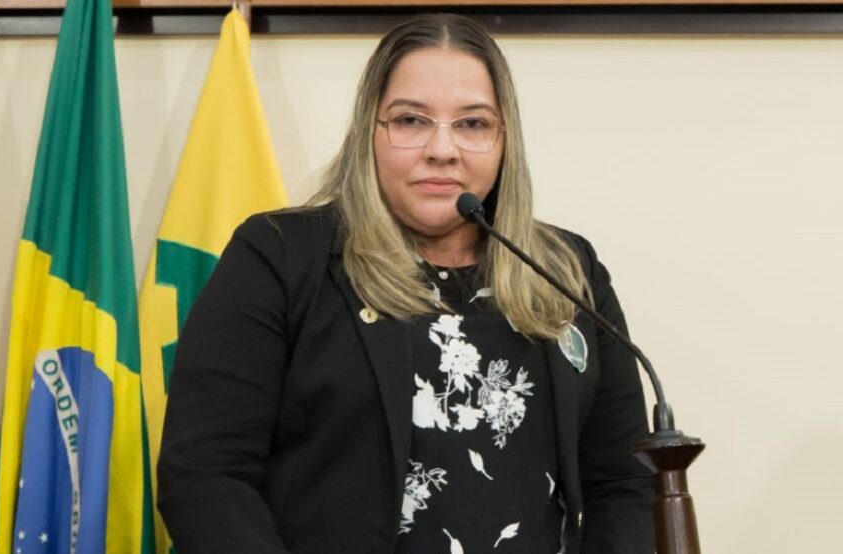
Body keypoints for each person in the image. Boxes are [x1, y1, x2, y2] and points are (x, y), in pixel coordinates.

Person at [157, 13, 655, 554]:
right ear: (368, 132)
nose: (443, 148)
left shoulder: (566, 270)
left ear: (503, 139)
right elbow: (205, 475)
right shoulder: (279, 258)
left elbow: (625, 483)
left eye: (472, 124)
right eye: (411, 120)